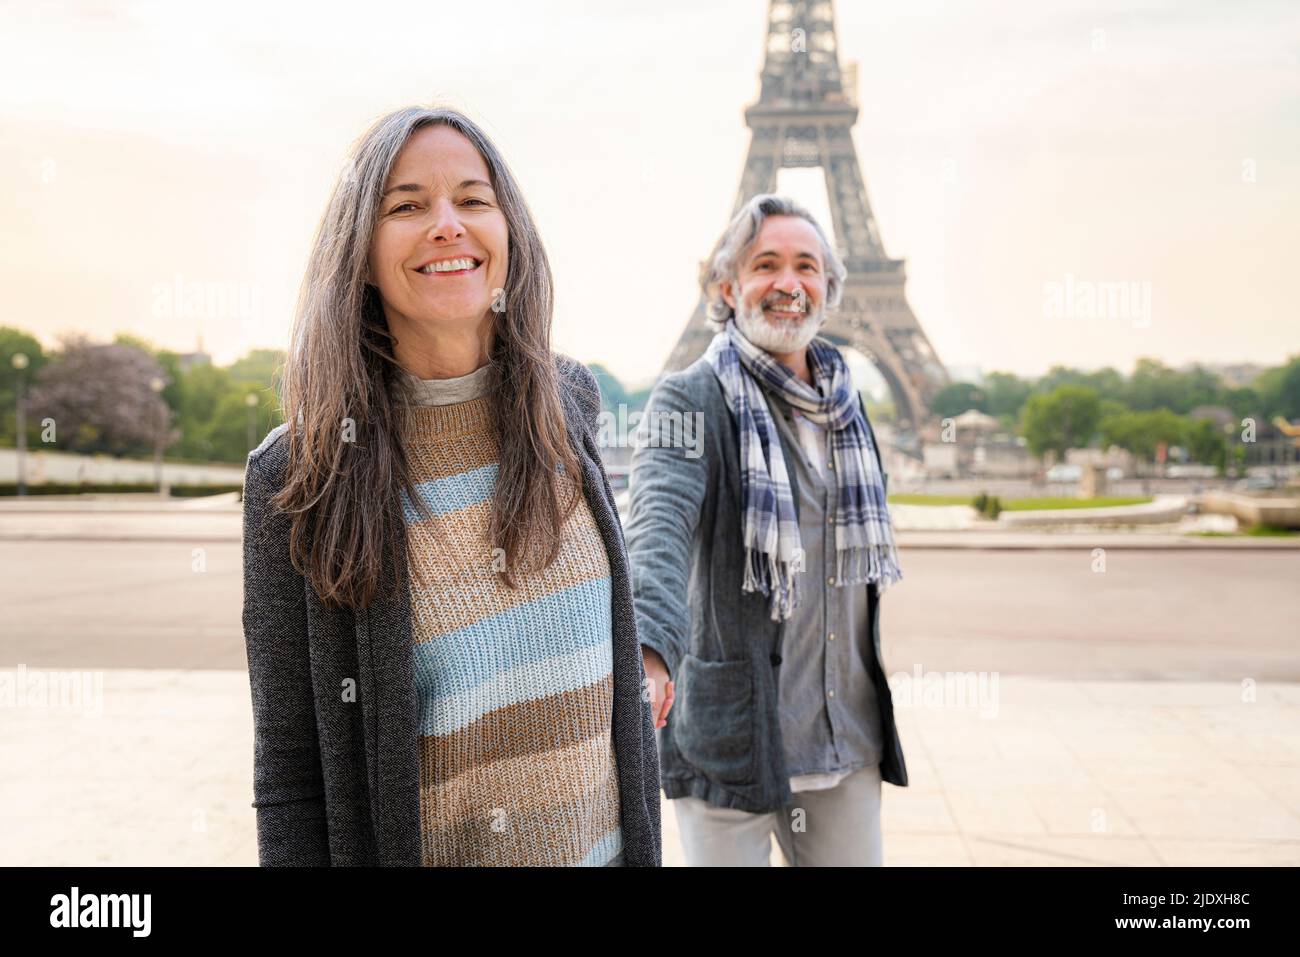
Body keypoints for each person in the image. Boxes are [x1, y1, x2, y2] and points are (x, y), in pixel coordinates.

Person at [241, 106, 661, 866]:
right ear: (360, 253)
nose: (447, 224)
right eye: (406, 205)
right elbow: (292, 771)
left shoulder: (570, 405)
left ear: (509, 233)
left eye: (472, 199)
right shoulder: (298, 477)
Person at [626, 194, 907, 866]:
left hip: (845, 734)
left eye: (806, 266)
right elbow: (658, 521)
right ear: (727, 288)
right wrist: (648, 646)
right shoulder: (689, 397)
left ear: (830, 289)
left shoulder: (847, 403)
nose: (789, 283)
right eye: (766, 264)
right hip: (732, 736)